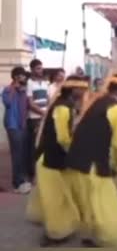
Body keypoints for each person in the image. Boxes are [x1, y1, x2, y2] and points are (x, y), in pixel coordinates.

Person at [64, 73, 117, 247]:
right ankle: (110, 238)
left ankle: (87, 236)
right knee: (103, 203)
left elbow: (98, 128)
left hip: (76, 160)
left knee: (86, 201)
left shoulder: (96, 102)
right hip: (94, 164)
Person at [25, 75, 89, 247]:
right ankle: (54, 234)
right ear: (73, 89)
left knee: (62, 196)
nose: (84, 92)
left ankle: (63, 227)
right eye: (82, 89)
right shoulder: (62, 108)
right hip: (52, 161)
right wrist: (75, 151)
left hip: (55, 160)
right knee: (55, 199)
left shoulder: (65, 105)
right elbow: (63, 138)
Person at [2, 66, 30, 193]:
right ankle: (17, 183)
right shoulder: (8, 89)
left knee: (22, 153)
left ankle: (21, 179)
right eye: (21, 76)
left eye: (24, 76)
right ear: (15, 77)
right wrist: (14, 87)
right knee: (16, 154)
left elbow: (25, 106)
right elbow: (7, 103)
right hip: (12, 125)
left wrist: (22, 90)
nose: (23, 78)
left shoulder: (23, 90)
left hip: (22, 124)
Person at [26, 59, 49, 182]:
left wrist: (48, 112)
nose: (40, 70)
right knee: (35, 147)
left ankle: (42, 173)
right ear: (32, 70)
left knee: (44, 145)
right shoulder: (30, 83)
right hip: (35, 118)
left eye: (41, 68)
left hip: (45, 117)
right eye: (38, 68)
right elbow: (30, 103)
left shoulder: (45, 82)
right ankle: (33, 175)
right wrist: (42, 112)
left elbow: (48, 98)